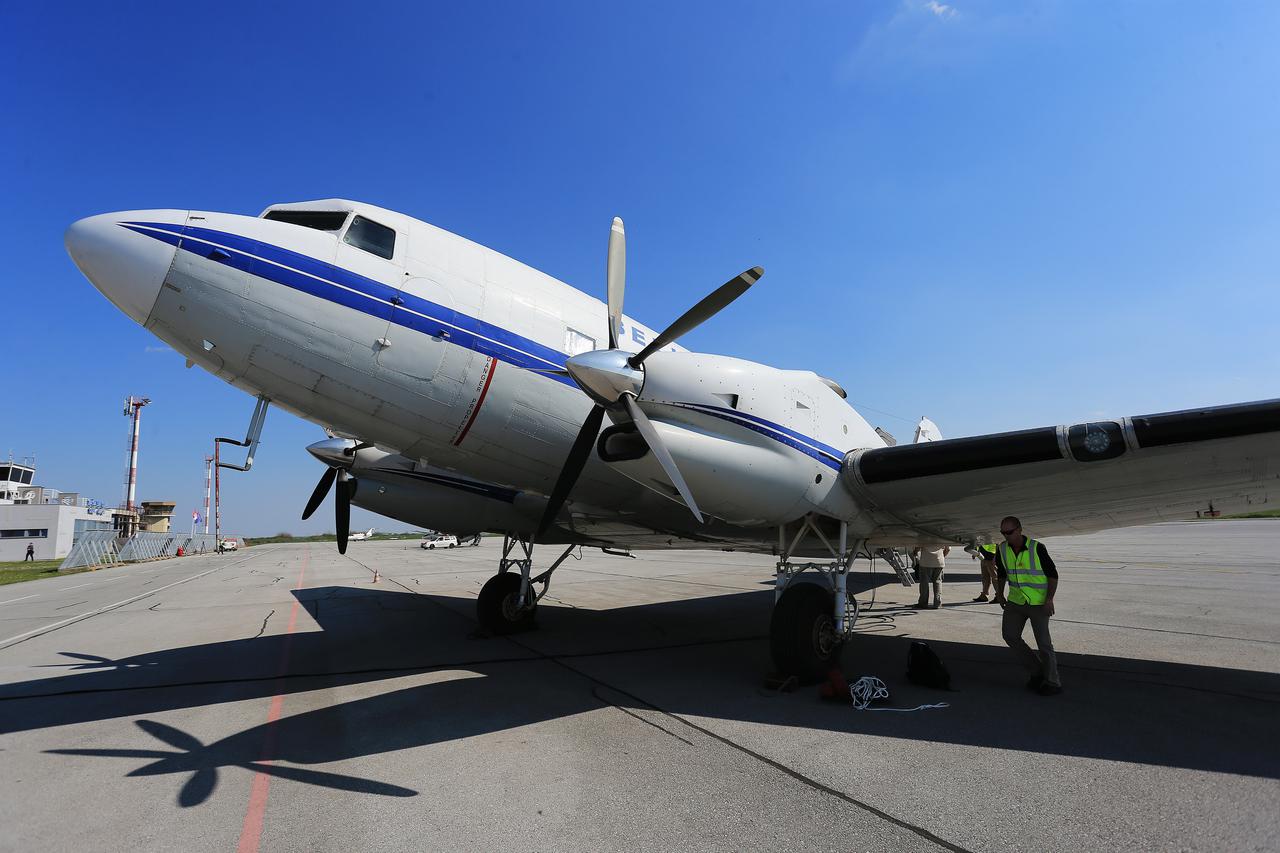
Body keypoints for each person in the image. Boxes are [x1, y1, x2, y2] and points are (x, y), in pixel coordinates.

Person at [992, 516, 1062, 696]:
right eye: (1003, 533)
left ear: (1020, 529)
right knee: (1010, 636)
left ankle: (1053, 682)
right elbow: (1001, 573)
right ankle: (1037, 671)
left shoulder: (1037, 548)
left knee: (1044, 644)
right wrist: (999, 593)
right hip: (1015, 601)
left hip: (1038, 602)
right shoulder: (1002, 549)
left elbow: (1052, 575)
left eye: (1010, 532)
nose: (1006, 536)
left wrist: (1049, 599)